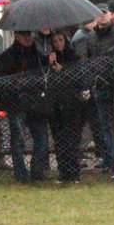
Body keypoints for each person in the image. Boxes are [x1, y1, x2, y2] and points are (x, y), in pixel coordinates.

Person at [75, 4, 114, 173]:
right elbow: (87, 62)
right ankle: (112, 162)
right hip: (100, 86)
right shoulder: (90, 37)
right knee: (104, 126)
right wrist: (88, 83)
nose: (101, 16)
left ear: (110, 15)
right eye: (98, 14)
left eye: (104, 13)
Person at [0, 30, 52, 182]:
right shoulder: (7, 56)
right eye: (23, 35)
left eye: (29, 34)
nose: (27, 38)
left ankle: (37, 171)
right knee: (18, 140)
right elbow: (2, 81)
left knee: (41, 138)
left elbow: (45, 75)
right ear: (16, 36)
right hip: (17, 103)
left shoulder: (40, 55)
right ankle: (21, 173)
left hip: (37, 102)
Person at [46, 30, 86, 183]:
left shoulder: (73, 57)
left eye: (60, 40)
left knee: (73, 139)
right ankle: (63, 172)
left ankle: (74, 172)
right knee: (59, 139)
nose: (58, 43)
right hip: (56, 104)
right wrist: (51, 65)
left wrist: (62, 71)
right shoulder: (49, 59)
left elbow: (79, 78)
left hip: (73, 104)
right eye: (55, 41)